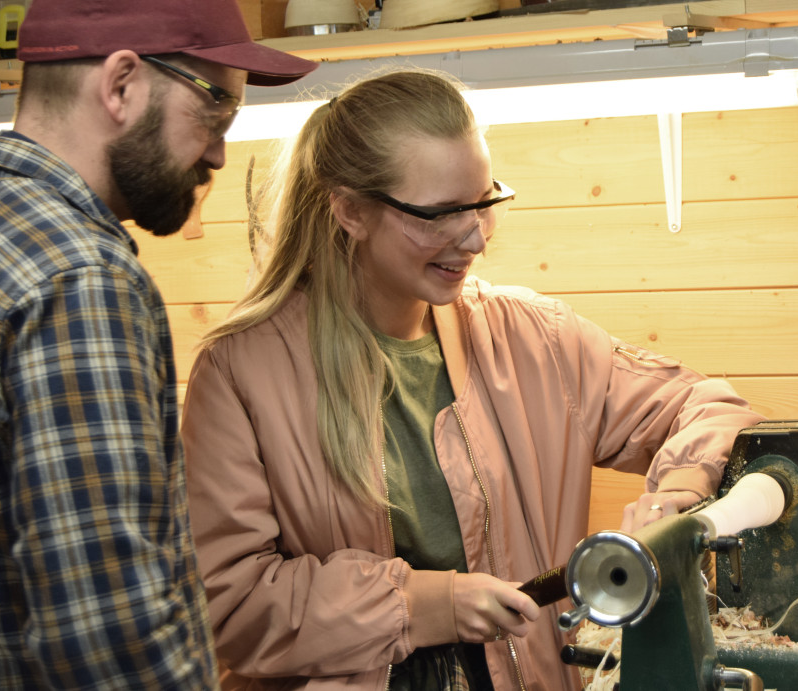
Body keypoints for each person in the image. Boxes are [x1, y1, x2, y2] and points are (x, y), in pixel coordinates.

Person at [180, 70, 765, 691]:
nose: (475, 238)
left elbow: (707, 407)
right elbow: (229, 603)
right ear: (349, 211)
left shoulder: (532, 337)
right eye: (439, 215)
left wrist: (673, 499)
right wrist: (427, 604)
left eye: (485, 202)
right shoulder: (239, 374)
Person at [0, 0, 316, 687]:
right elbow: (109, 635)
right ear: (122, 84)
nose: (219, 150)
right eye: (215, 111)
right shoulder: (80, 280)